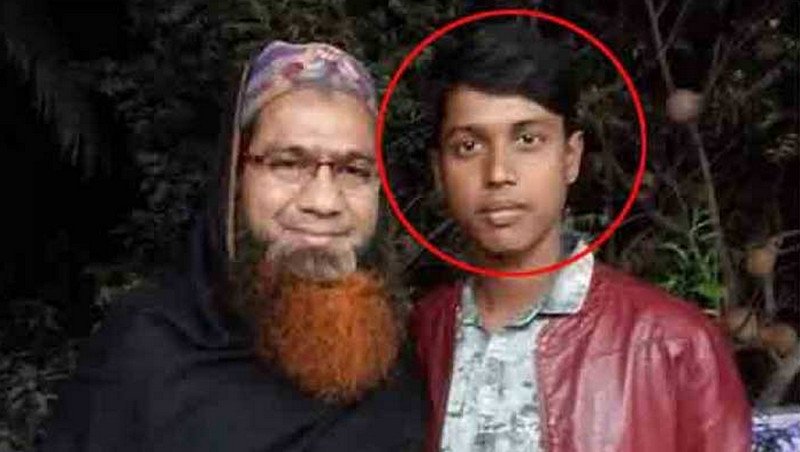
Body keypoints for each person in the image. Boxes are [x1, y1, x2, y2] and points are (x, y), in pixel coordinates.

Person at [40, 41, 424, 452]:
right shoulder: (145, 353)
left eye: (354, 170)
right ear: (234, 180)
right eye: (288, 164)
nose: (324, 201)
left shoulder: (393, 352)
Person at [409, 20, 751, 452]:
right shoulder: (420, 337)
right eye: (469, 146)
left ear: (570, 158)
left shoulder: (674, 344)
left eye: (528, 139)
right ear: (439, 171)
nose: (498, 173)